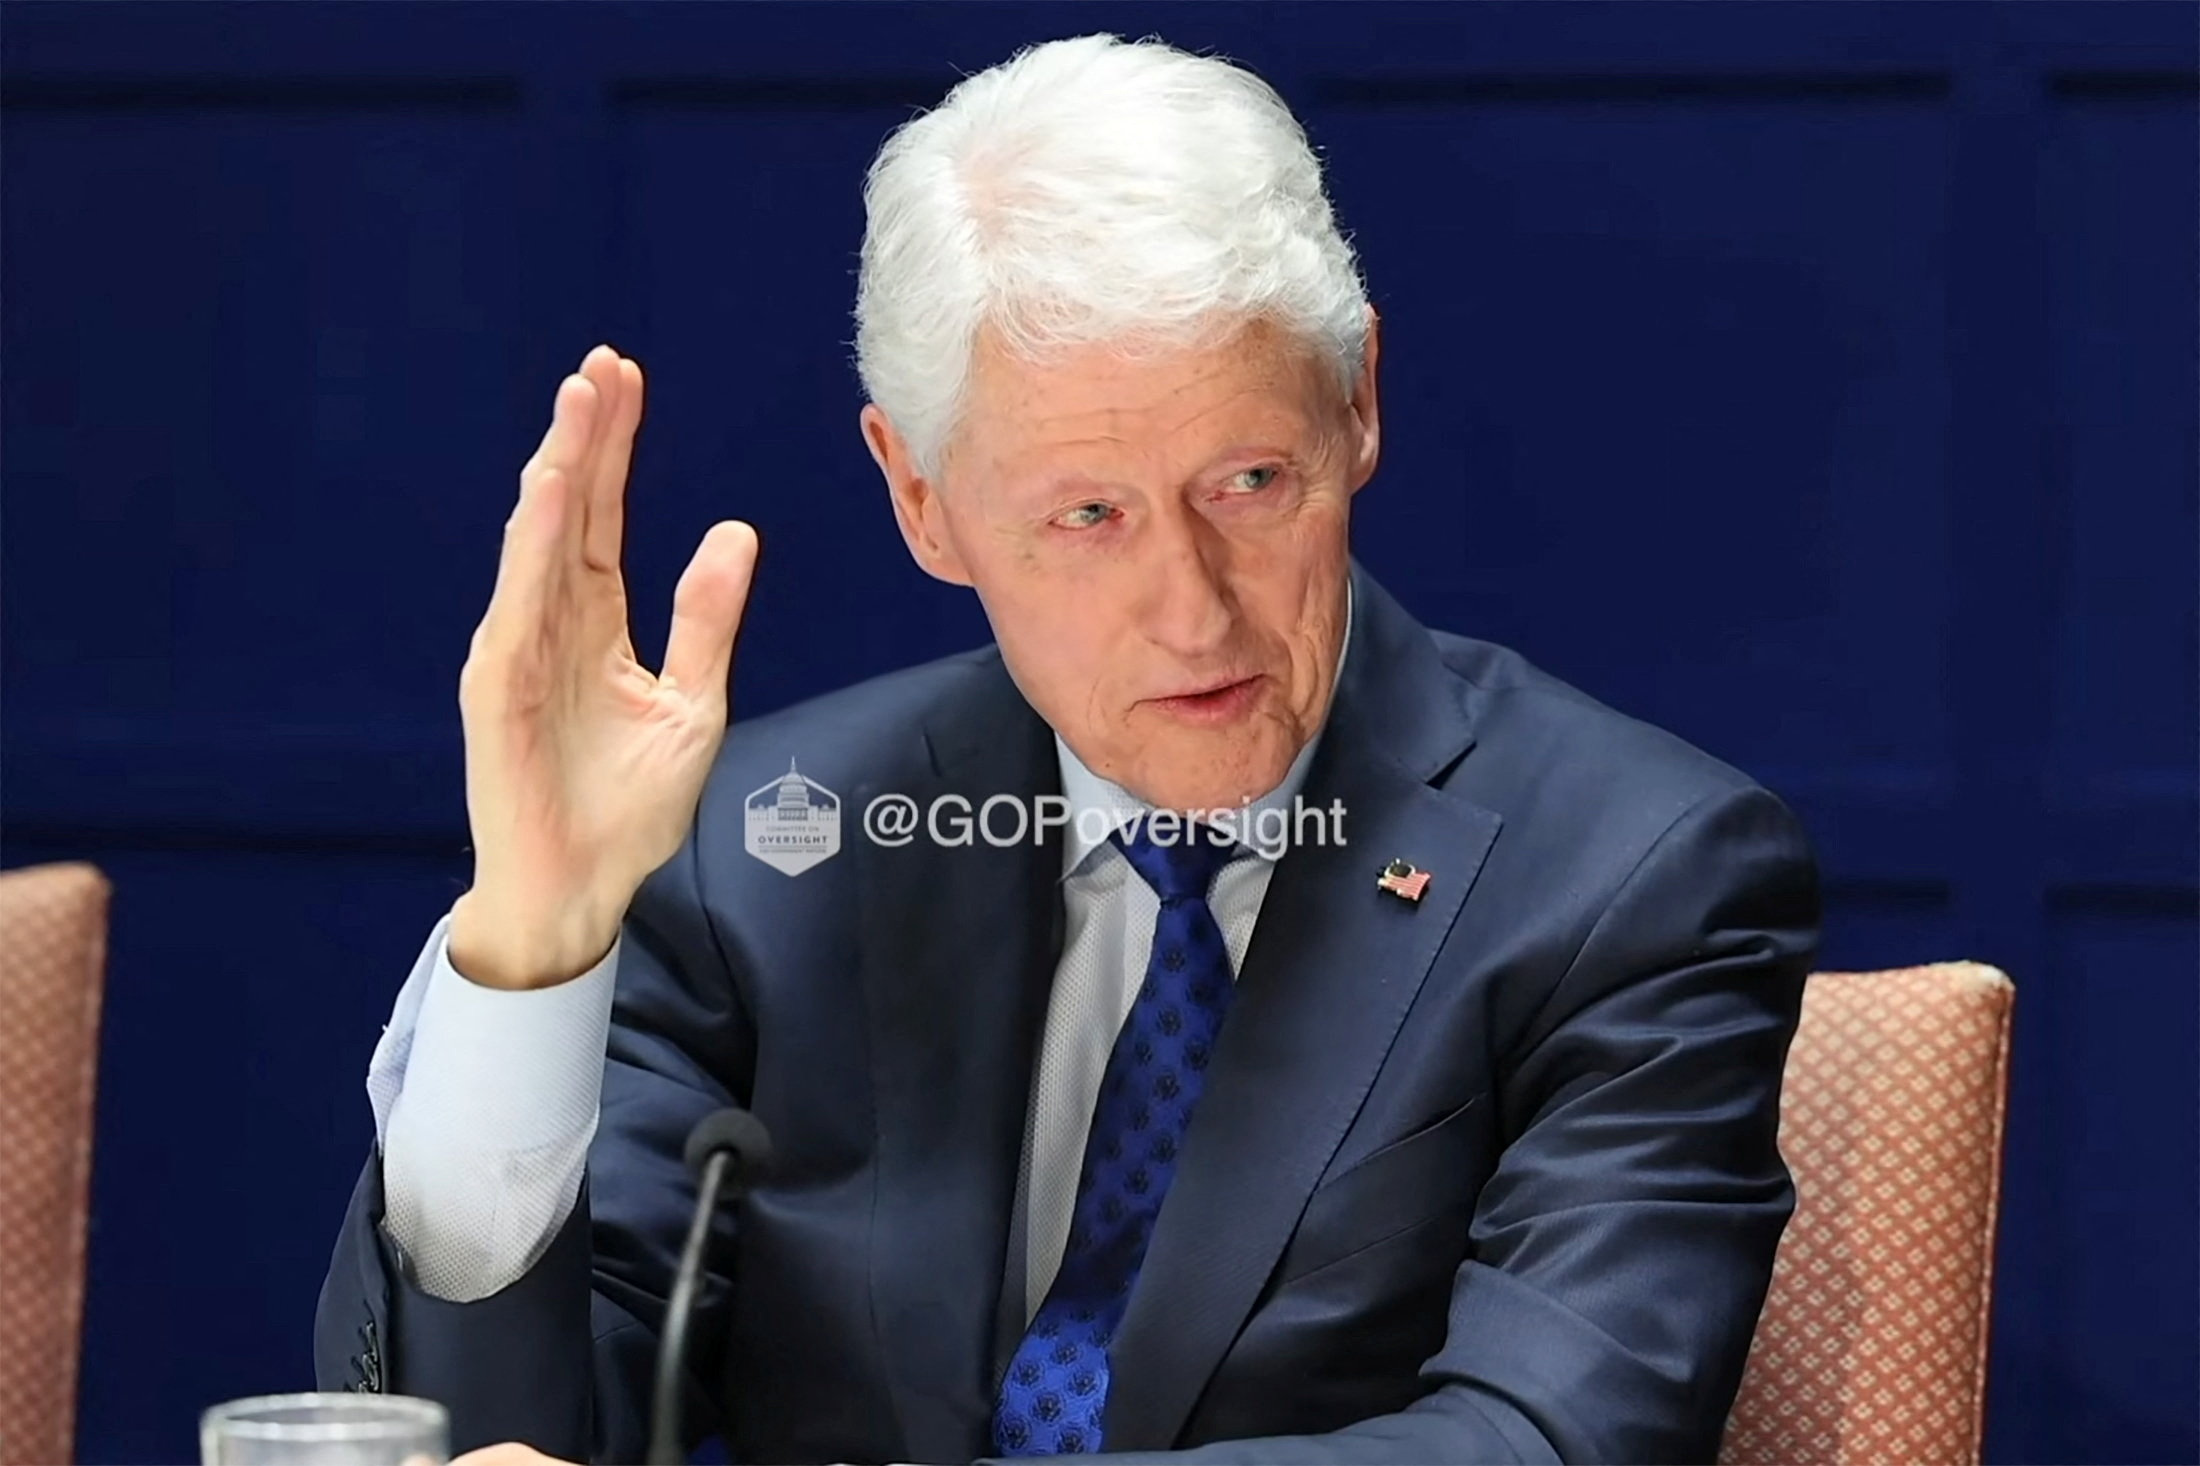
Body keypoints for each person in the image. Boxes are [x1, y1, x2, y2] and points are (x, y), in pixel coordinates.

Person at [314, 33, 1819, 1466]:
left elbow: (1547, 1441)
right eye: (1086, 515)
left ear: (1358, 404)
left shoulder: (1633, 877)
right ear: (922, 502)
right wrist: (531, 946)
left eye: (1248, 480)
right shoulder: (757, 859)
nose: (1190, 610)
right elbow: (512, 1432)